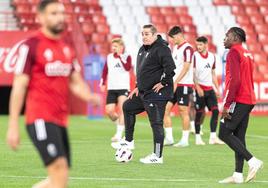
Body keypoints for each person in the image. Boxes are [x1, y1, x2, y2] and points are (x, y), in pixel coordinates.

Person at [6, 1, 101, 187]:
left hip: (60, 120)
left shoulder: (66, 48)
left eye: (61, 13)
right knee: (58, 167)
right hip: (39, 118)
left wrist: (89, 96)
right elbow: (19, 86)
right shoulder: (31, 46)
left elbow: (75, 81)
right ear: (40, 17)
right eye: (53, 13)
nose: (59, 17)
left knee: (61, 177)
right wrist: (13, 125)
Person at [112, 24, 175, 164]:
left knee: (156, 123)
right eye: (143, 34)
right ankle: (129, 141)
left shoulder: (162, 49)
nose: (144, 37)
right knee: (128, 106)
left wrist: (163, 82)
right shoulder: (142, 49)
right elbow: (141, 71)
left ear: (154, 35)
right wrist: (137, 86)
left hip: (157, 94)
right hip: (144, 92)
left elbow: (170, 68)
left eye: (147, 34)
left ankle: (157, 156)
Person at [218, 27, 263, 184]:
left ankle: (253, 161)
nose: (224, 38)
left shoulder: (233, 52)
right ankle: (238, 175)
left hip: (239, 99)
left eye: (227, 35)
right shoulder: (246, 53)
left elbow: (236, 80)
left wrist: (227, 105)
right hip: (249, 99)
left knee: (223, 133)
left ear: (235, 37)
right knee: (239, 137)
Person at [164, 26, 194, 147]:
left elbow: (186, 68)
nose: (171, 40)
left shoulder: (188, 49)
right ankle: (169, 138)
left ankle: (185, 140)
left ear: (178, 35)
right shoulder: (175, 48)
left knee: (183, 111)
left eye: (172, 38)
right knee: (165, 110)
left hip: (184, 84)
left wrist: (176, 81)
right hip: (174, 83)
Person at [193, 36, 224, 145]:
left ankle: (213, 137)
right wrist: (197, 87)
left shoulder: (212, 56)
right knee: (200, 113)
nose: (198, 47)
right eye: (197, 45)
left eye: (200, 45)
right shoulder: (195, 56)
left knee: (215, 111)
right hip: (200, 88)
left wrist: (217, 89)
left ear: (206, 44)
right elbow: (192, 73)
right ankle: (197, 138)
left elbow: (213, 74)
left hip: (210, 89)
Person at [100, 38, 132, 142]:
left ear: (121, 47)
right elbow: (105, 70)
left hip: (123, 87)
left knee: (122, 109)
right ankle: (119, 123)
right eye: (113, 46)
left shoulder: (127, 56)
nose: (114, 48)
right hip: (112, 88)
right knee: (109, 111)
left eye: (116, 46)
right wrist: (103, 83)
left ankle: (118, 134)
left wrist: (120, 57)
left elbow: (127, 68)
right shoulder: (109, 57)